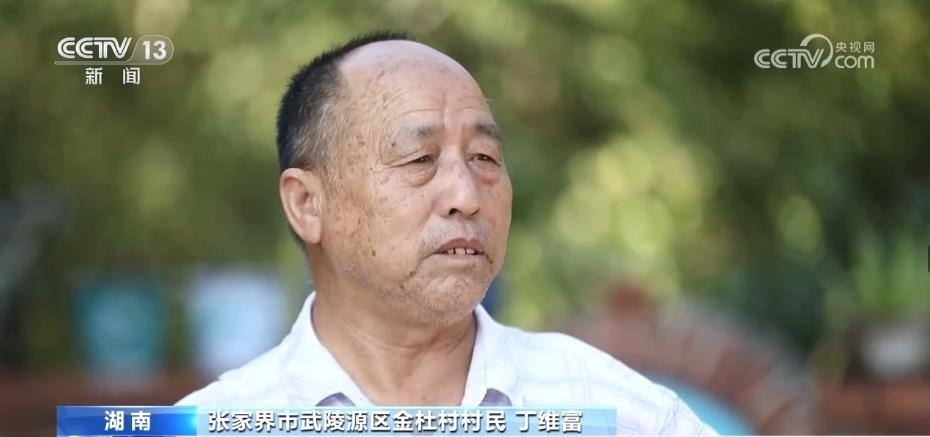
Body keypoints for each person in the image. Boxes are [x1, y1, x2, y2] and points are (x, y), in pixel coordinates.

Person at [178, 31, 716, 435]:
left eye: (484, 157)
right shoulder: (213, 422)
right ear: (306, 204)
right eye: (419, 158)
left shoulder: (618, 413)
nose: (466, 194)